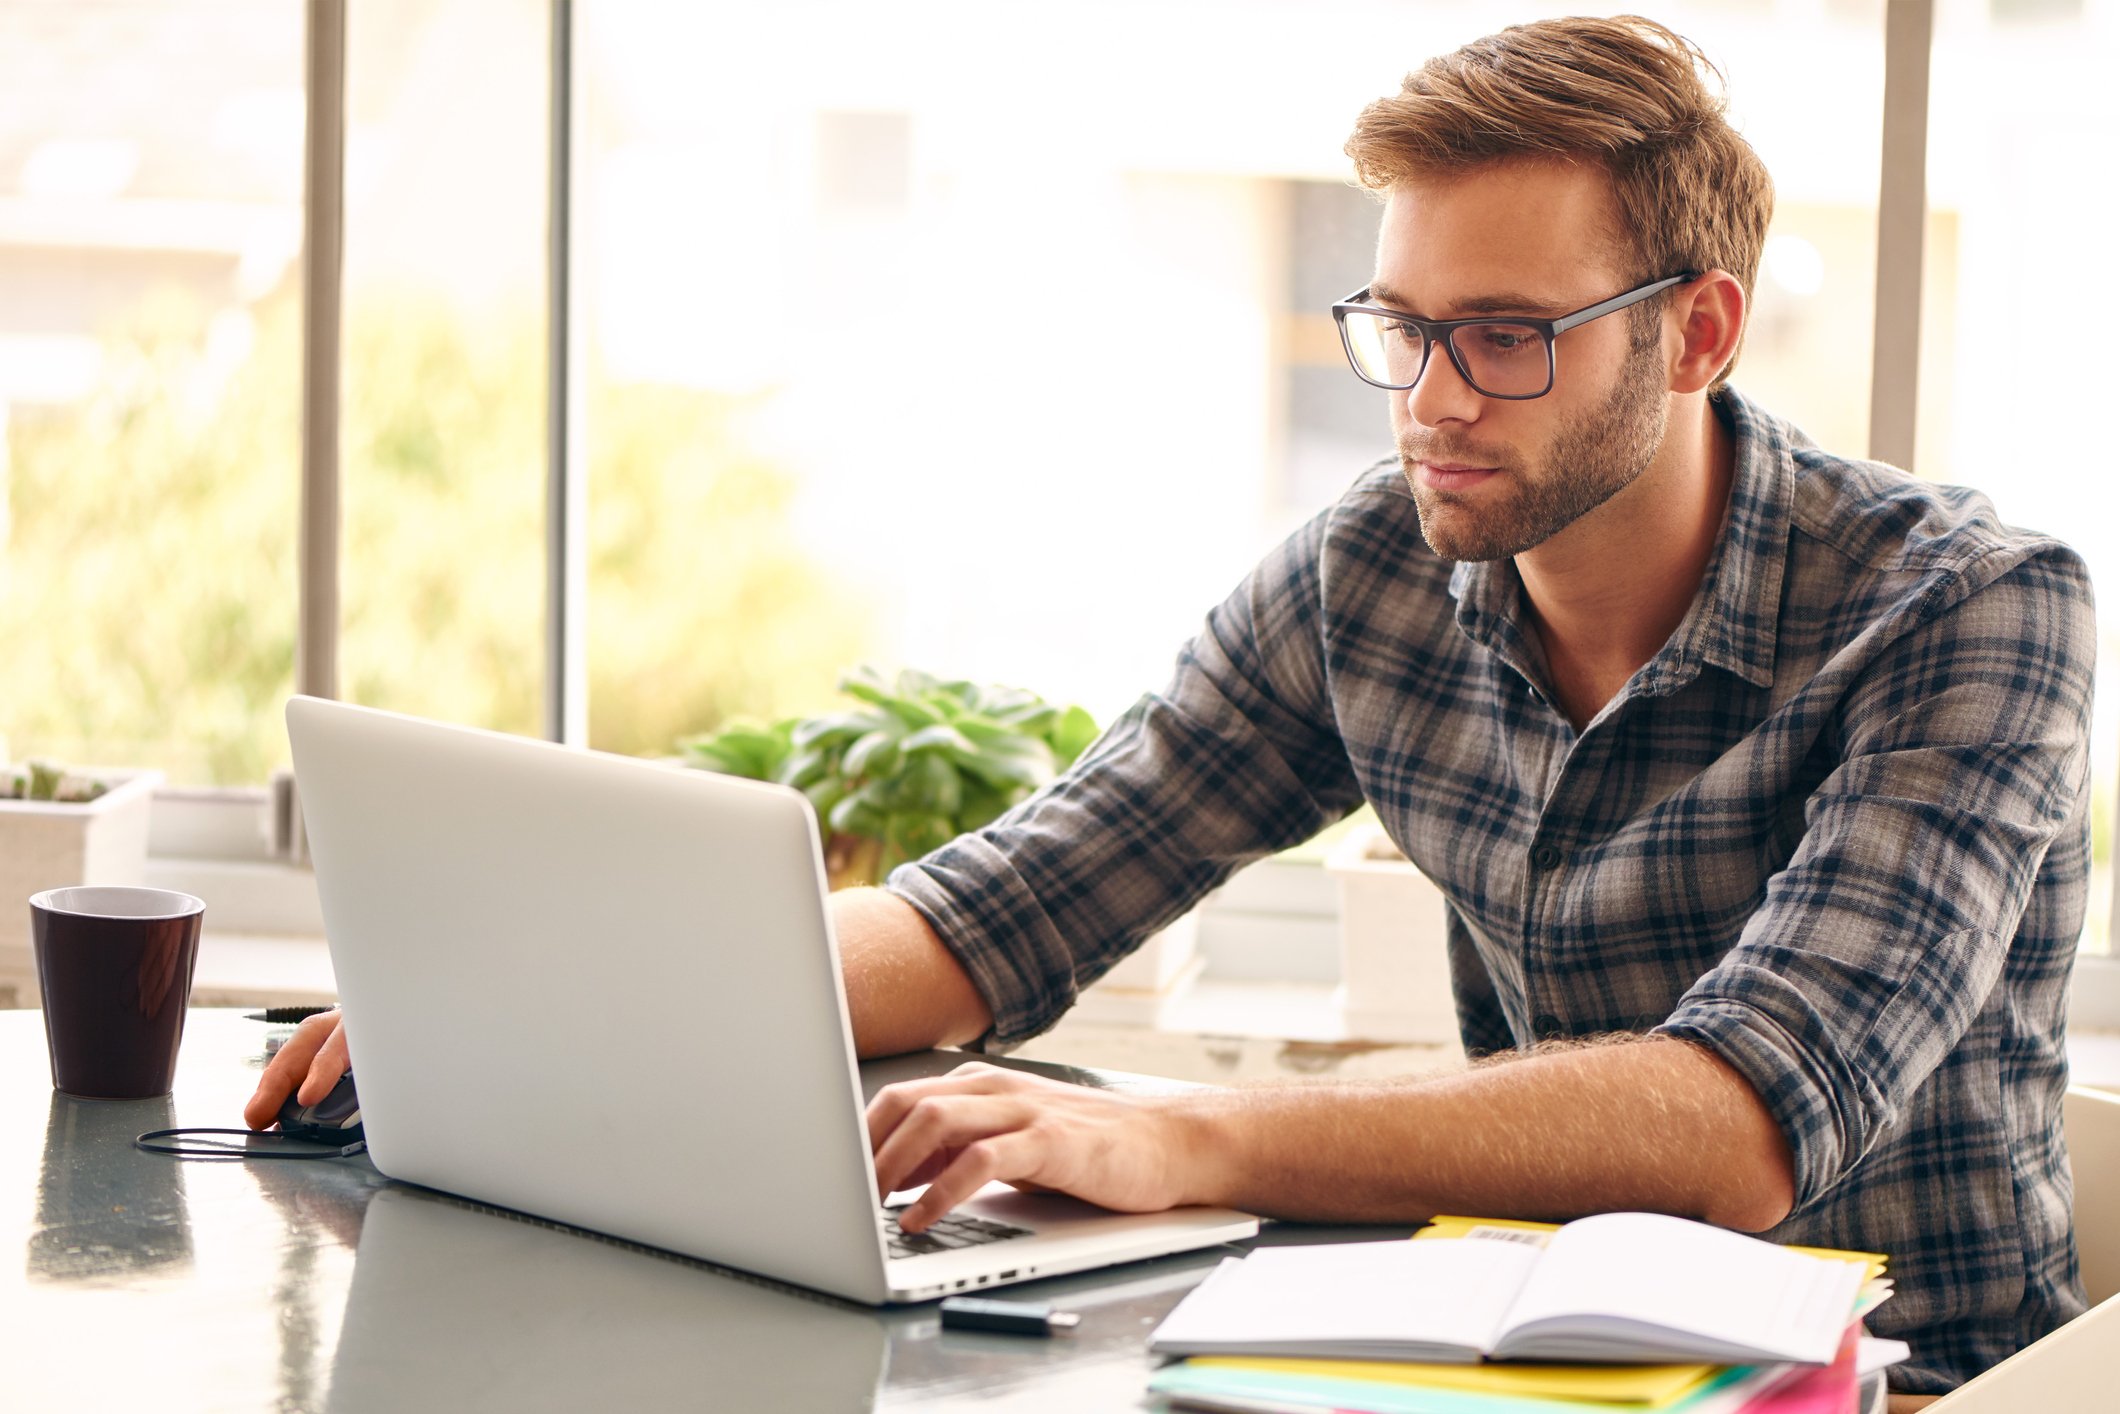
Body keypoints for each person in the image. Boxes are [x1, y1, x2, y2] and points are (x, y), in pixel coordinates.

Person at [248, 16, 2093, 1403]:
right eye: (1399, 323)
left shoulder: (1970, 612)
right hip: (1524, 1363)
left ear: (1695, 333)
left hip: (1910, 1381)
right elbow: (1010, 903)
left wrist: (1184, 1131)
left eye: (1507, 335)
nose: (1430, 398)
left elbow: (1741, 1124)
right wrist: (527, 1008)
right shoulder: (1373, 570)